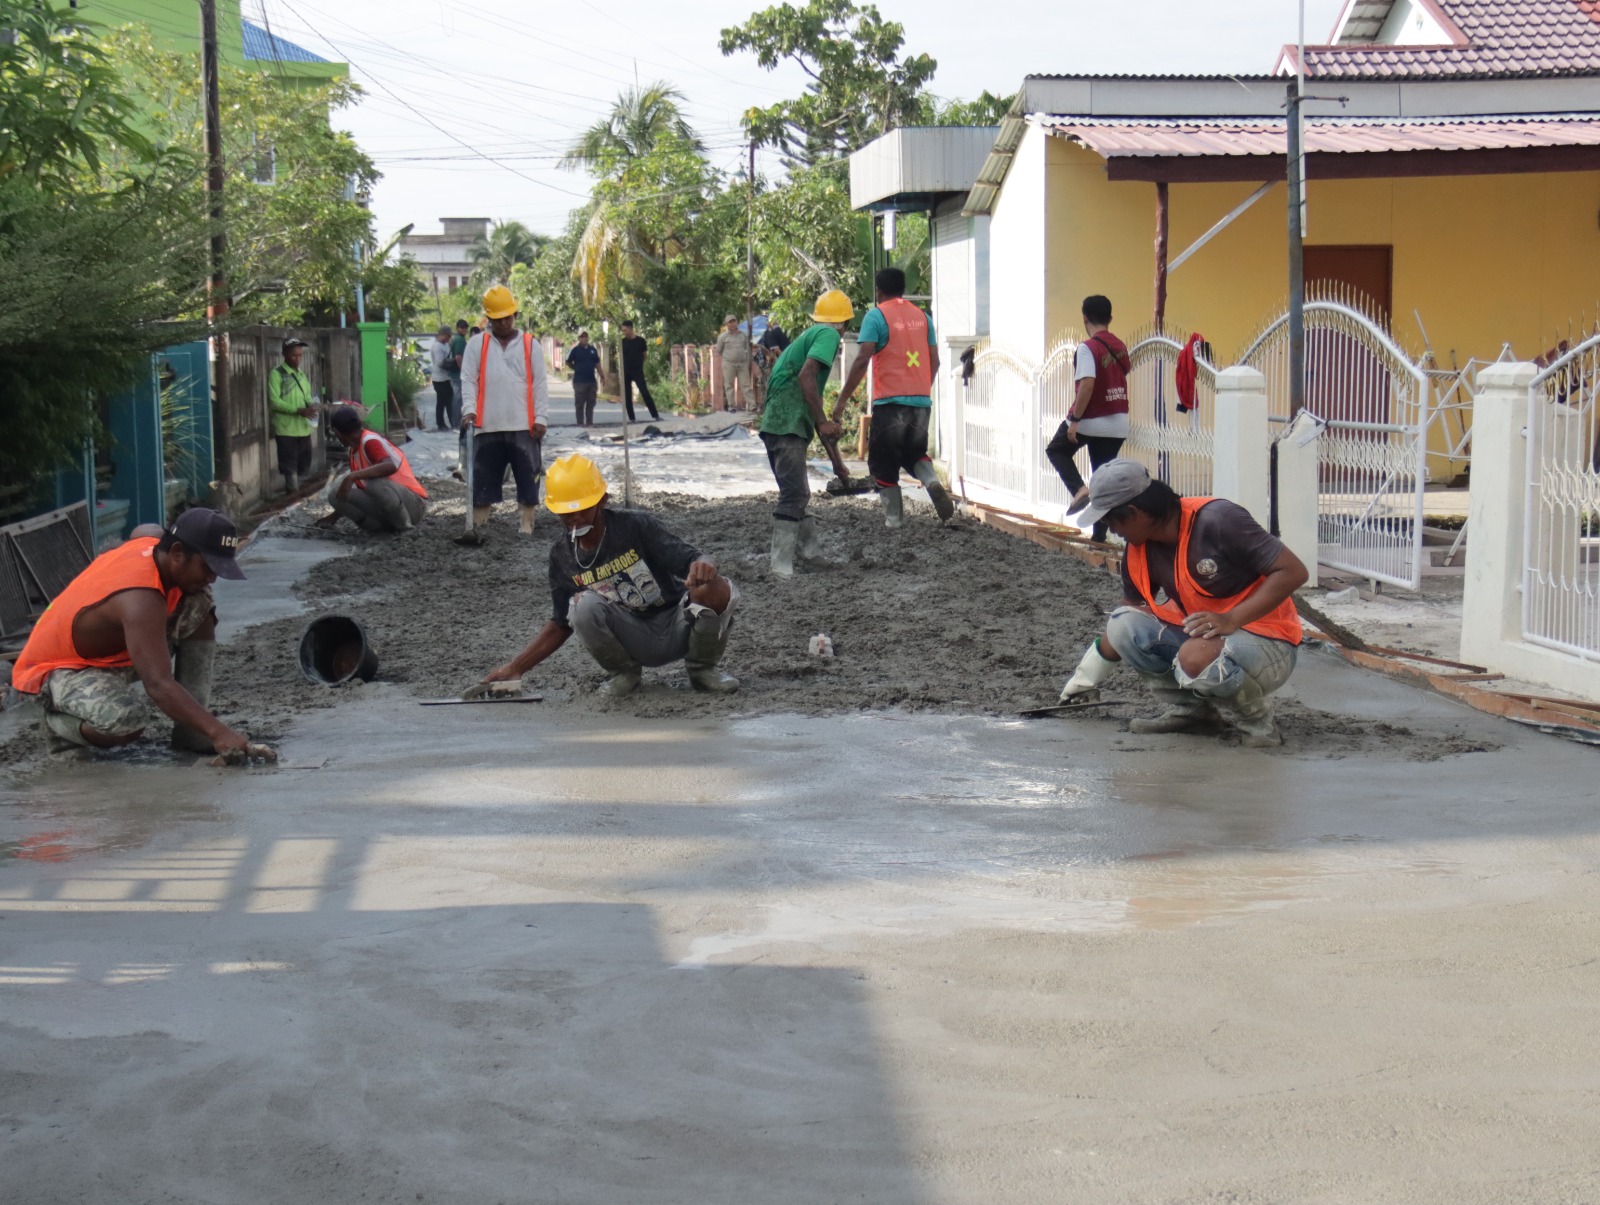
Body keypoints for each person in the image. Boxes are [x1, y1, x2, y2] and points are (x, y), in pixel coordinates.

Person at [1057, 461, 1308, 747]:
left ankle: (1258, 724)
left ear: (1135, 513)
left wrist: (1232, 619)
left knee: (1195, 655)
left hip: (1269, 643)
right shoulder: (1141, 546)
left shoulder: (1218, 520)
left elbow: (1294, 571)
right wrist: (1084, 681)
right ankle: (1194, 714)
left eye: (1110, 521)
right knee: (1123, 623)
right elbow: (1126, 620)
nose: (1110, 530)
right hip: (1209, 636)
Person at [476, 454, 739, 698]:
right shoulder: (562, 555)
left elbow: (694, 558)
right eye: (566, 512)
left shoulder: (635, 526)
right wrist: (516, 668)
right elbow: (560, 623)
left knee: (714, 586)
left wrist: (704, 565)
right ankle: (624, 674)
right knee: (581, 606)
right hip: (631, 635)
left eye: (582, 508)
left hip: (677, 625)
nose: (574, 518)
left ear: (602, 500)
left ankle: (703, 670)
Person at [10, 509, 265, 759]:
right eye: (207, 567)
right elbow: (158, 685)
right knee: (127, 721)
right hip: (60, 669)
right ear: (177, 553)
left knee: (199, 605)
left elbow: (144, 529)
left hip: (111, 653)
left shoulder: (155, 543)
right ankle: (59, 727)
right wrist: (219, 732)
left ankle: (191, 735)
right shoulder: (140, 598)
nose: (212, 577)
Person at [833, 267, 953, 527]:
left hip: (890, 404)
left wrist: (842, 400)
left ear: (878, 291)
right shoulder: (923, 317)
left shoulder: (876, 316)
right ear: (903, 288)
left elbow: (863, 358)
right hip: (921, 402)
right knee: (915, 453)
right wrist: (922, 387)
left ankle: (894, 521)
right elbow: (935, 360)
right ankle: (931, 480)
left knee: (883, 464)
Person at [757, 289, 854, 576]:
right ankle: (780, 564)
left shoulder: (806, 339)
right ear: (844, 323)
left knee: (798, 491)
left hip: (779, 424)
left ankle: (810, 554)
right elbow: (806, 376)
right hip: (786, 424)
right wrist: (825, 422)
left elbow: (814, 407)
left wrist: (836, 462)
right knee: (794, 494)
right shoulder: (827, 335)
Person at [459, 285, 549, 545]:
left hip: (524, 424)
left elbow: (540, 383)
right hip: (487, 424)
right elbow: (468, 379)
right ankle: (478, 524)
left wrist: (540, 418)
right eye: (498, 320)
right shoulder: (477, 344)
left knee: (527, 477)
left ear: (515, 314)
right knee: (484, 478)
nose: (503, 323)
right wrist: (469, 410)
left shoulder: (531, 345)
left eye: (508, 318)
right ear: (489, 319)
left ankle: (526, 525)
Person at [1046, 294, 1130, 543]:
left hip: (1092, 420)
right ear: (1110, 318)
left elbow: (1087, 385)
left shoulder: (1087, 348)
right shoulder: (1120, 346)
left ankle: (1079, 490)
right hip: (1118, 422)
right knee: (1102, 478)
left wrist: (1075, 419)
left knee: (1056, 450)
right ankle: (1099, 537)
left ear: (1084, 318)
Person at [320, 405, 428, 533]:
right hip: (394, 503)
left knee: (373, 484)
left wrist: (352, 476)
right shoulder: (355, 448)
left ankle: (405, 528)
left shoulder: (370, 441)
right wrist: (334, 517)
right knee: (335, 494)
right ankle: (376, 528)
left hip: (414, 505)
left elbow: (389, 466)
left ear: (338, 433)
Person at [269, 337, 317, 494]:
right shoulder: (277, 374)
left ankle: (299, 500)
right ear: (284, 354)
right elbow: (274, 402)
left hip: (304, 429)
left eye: (300, 355)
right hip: (286, 431)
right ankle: (293, 499)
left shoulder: (302, 375)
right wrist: (298, 410)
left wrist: (313, 405)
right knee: (290, 470)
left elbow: (307, 396)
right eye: (293, 355)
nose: (297, 359)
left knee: (303, 468)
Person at [619, 321, 659, 422]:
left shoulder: (641, 341)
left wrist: (638, 364)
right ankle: (632, 418)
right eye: (623, 330)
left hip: (637, 371)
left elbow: (645, 355)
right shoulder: (622, 342)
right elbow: (620, 357)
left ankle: (655, 415)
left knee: (644, 392)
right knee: (627, 396)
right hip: (626, 372)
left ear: (630, 328)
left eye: (625, 330)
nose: (624, 332)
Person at [565, 330, 604, 428]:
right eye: (582, 336)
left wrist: (602, 376)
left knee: (591, 403)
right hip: (579, 382)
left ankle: (589, 422)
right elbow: (568, 361)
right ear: (579, 338)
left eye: (585, 336)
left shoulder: (593, 350)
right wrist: (575, 368)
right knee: (580, 404)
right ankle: (580, 423)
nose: (584, 338)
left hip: (591, 381)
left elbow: (597, 364)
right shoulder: (575, 350)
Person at [715, 314, 752, 412]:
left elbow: (747, 349)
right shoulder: (723, 337)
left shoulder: (743, 335)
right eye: (729, 322)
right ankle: (731, 406)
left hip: (742, 363)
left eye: (733, 321)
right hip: (729, 363)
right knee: (729, 385)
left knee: (746, 385)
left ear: (737, 322)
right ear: (726, 324)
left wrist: (748, 363)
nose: (732, 324)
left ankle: (752, 406)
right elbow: (718, 351)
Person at [428, 327, 455, 431]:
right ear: (443, 335)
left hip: (446, 378)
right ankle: (441, 424)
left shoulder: (446, 345)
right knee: (442, 401)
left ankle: (452, 422)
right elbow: (440, 362)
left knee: (448, 401)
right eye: (448, 337)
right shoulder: (437, 346)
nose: (449, 339)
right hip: (439, 379)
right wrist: (452, 364)